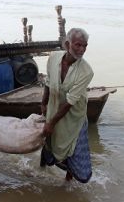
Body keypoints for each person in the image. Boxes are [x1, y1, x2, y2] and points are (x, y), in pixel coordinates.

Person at [40, 28, 94, 183]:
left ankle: (68, 180)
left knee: (74, 150)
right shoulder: (54, 57)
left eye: (85, 46)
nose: (82, 50)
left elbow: (70, 102)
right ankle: (42, 169)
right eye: (78, 45)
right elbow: (49, 82)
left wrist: (51, 123)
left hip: (74, 115)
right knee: (49, 142)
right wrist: (44, 102)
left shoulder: (86, 71)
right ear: (67, 44)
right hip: (54, 107)